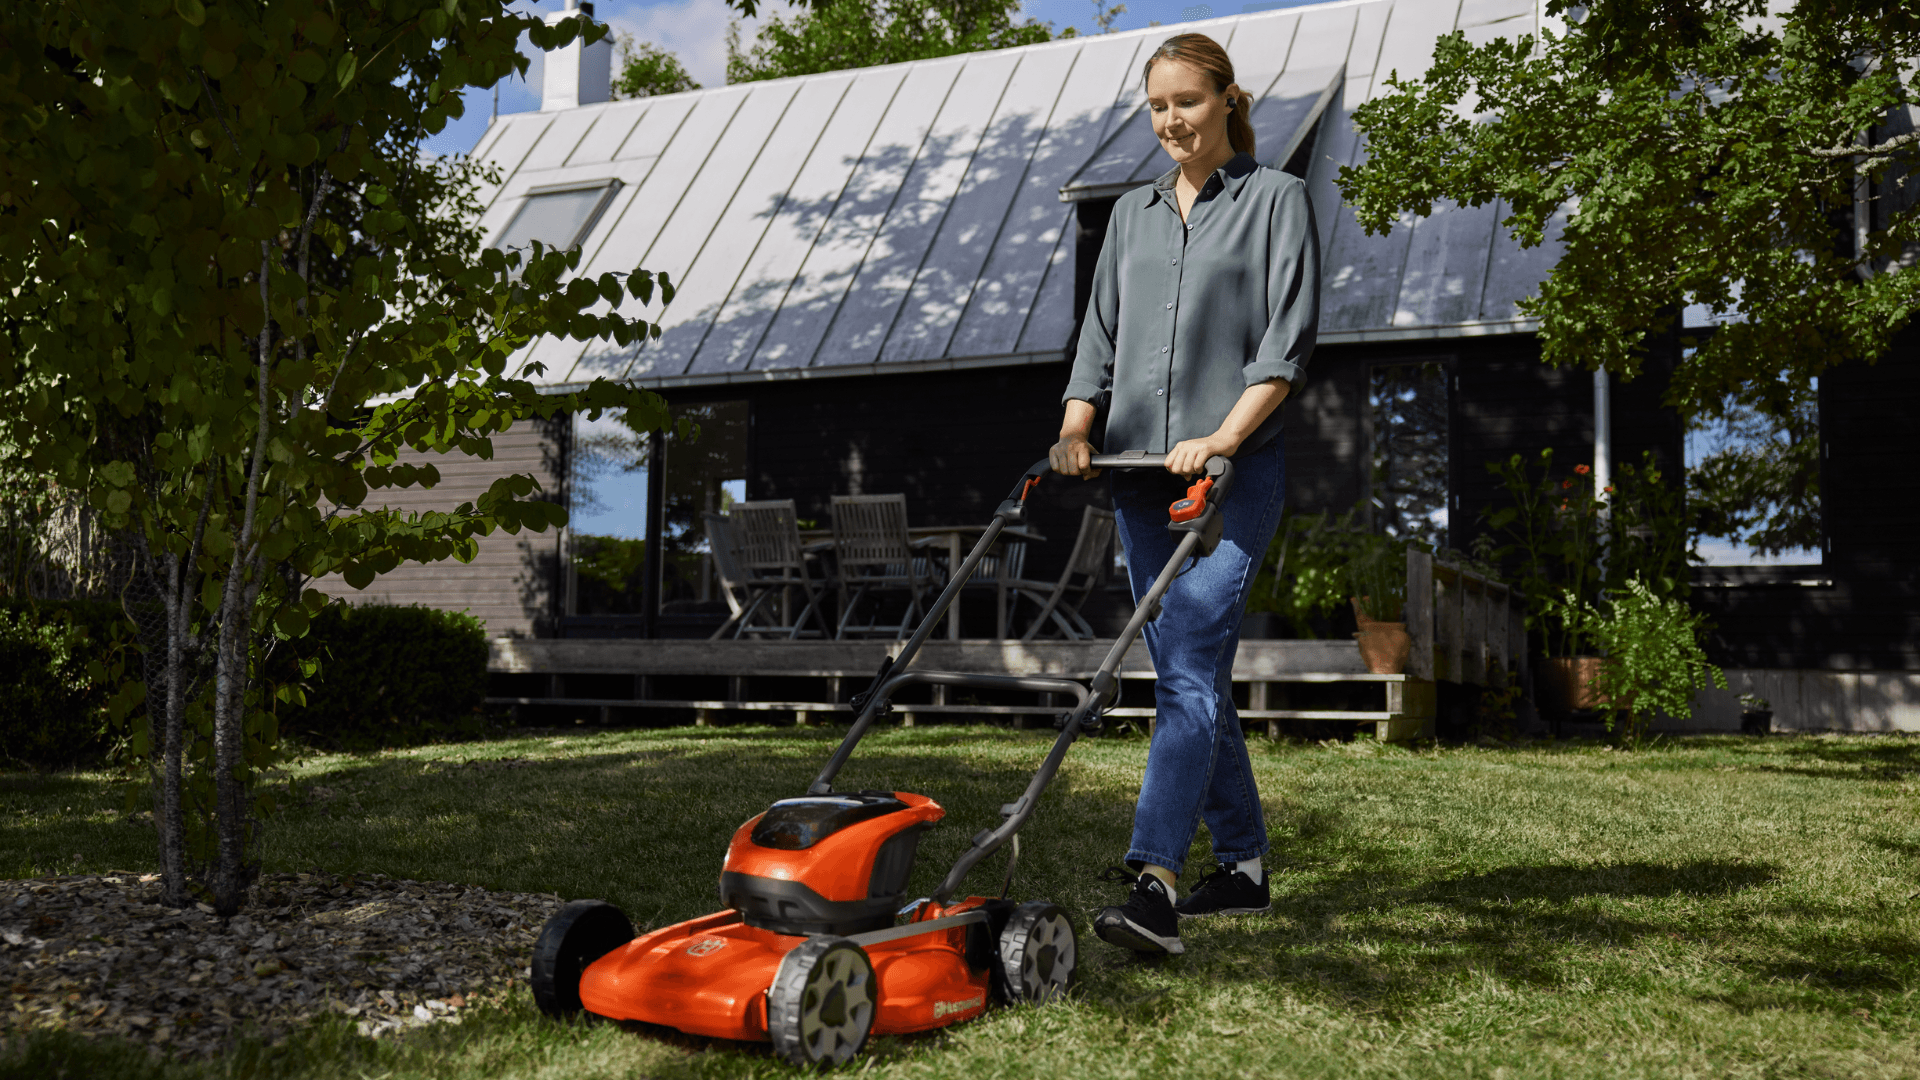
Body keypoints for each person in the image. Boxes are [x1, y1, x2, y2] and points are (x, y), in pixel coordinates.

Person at [1051, 32, 1319, 957]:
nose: (1171, 120)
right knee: (1189, 675)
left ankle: (1155, 883)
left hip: (1232, 476)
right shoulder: (1131, 215)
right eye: (1158, 106)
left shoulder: (1277, 199)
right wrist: (1076, 428)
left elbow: (1284, 345)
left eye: (1188, 102)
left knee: (1190, 666)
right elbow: (1098, 337)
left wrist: (1222, 437)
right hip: (1136, 479)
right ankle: (1242, 868)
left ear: (1228, 100)